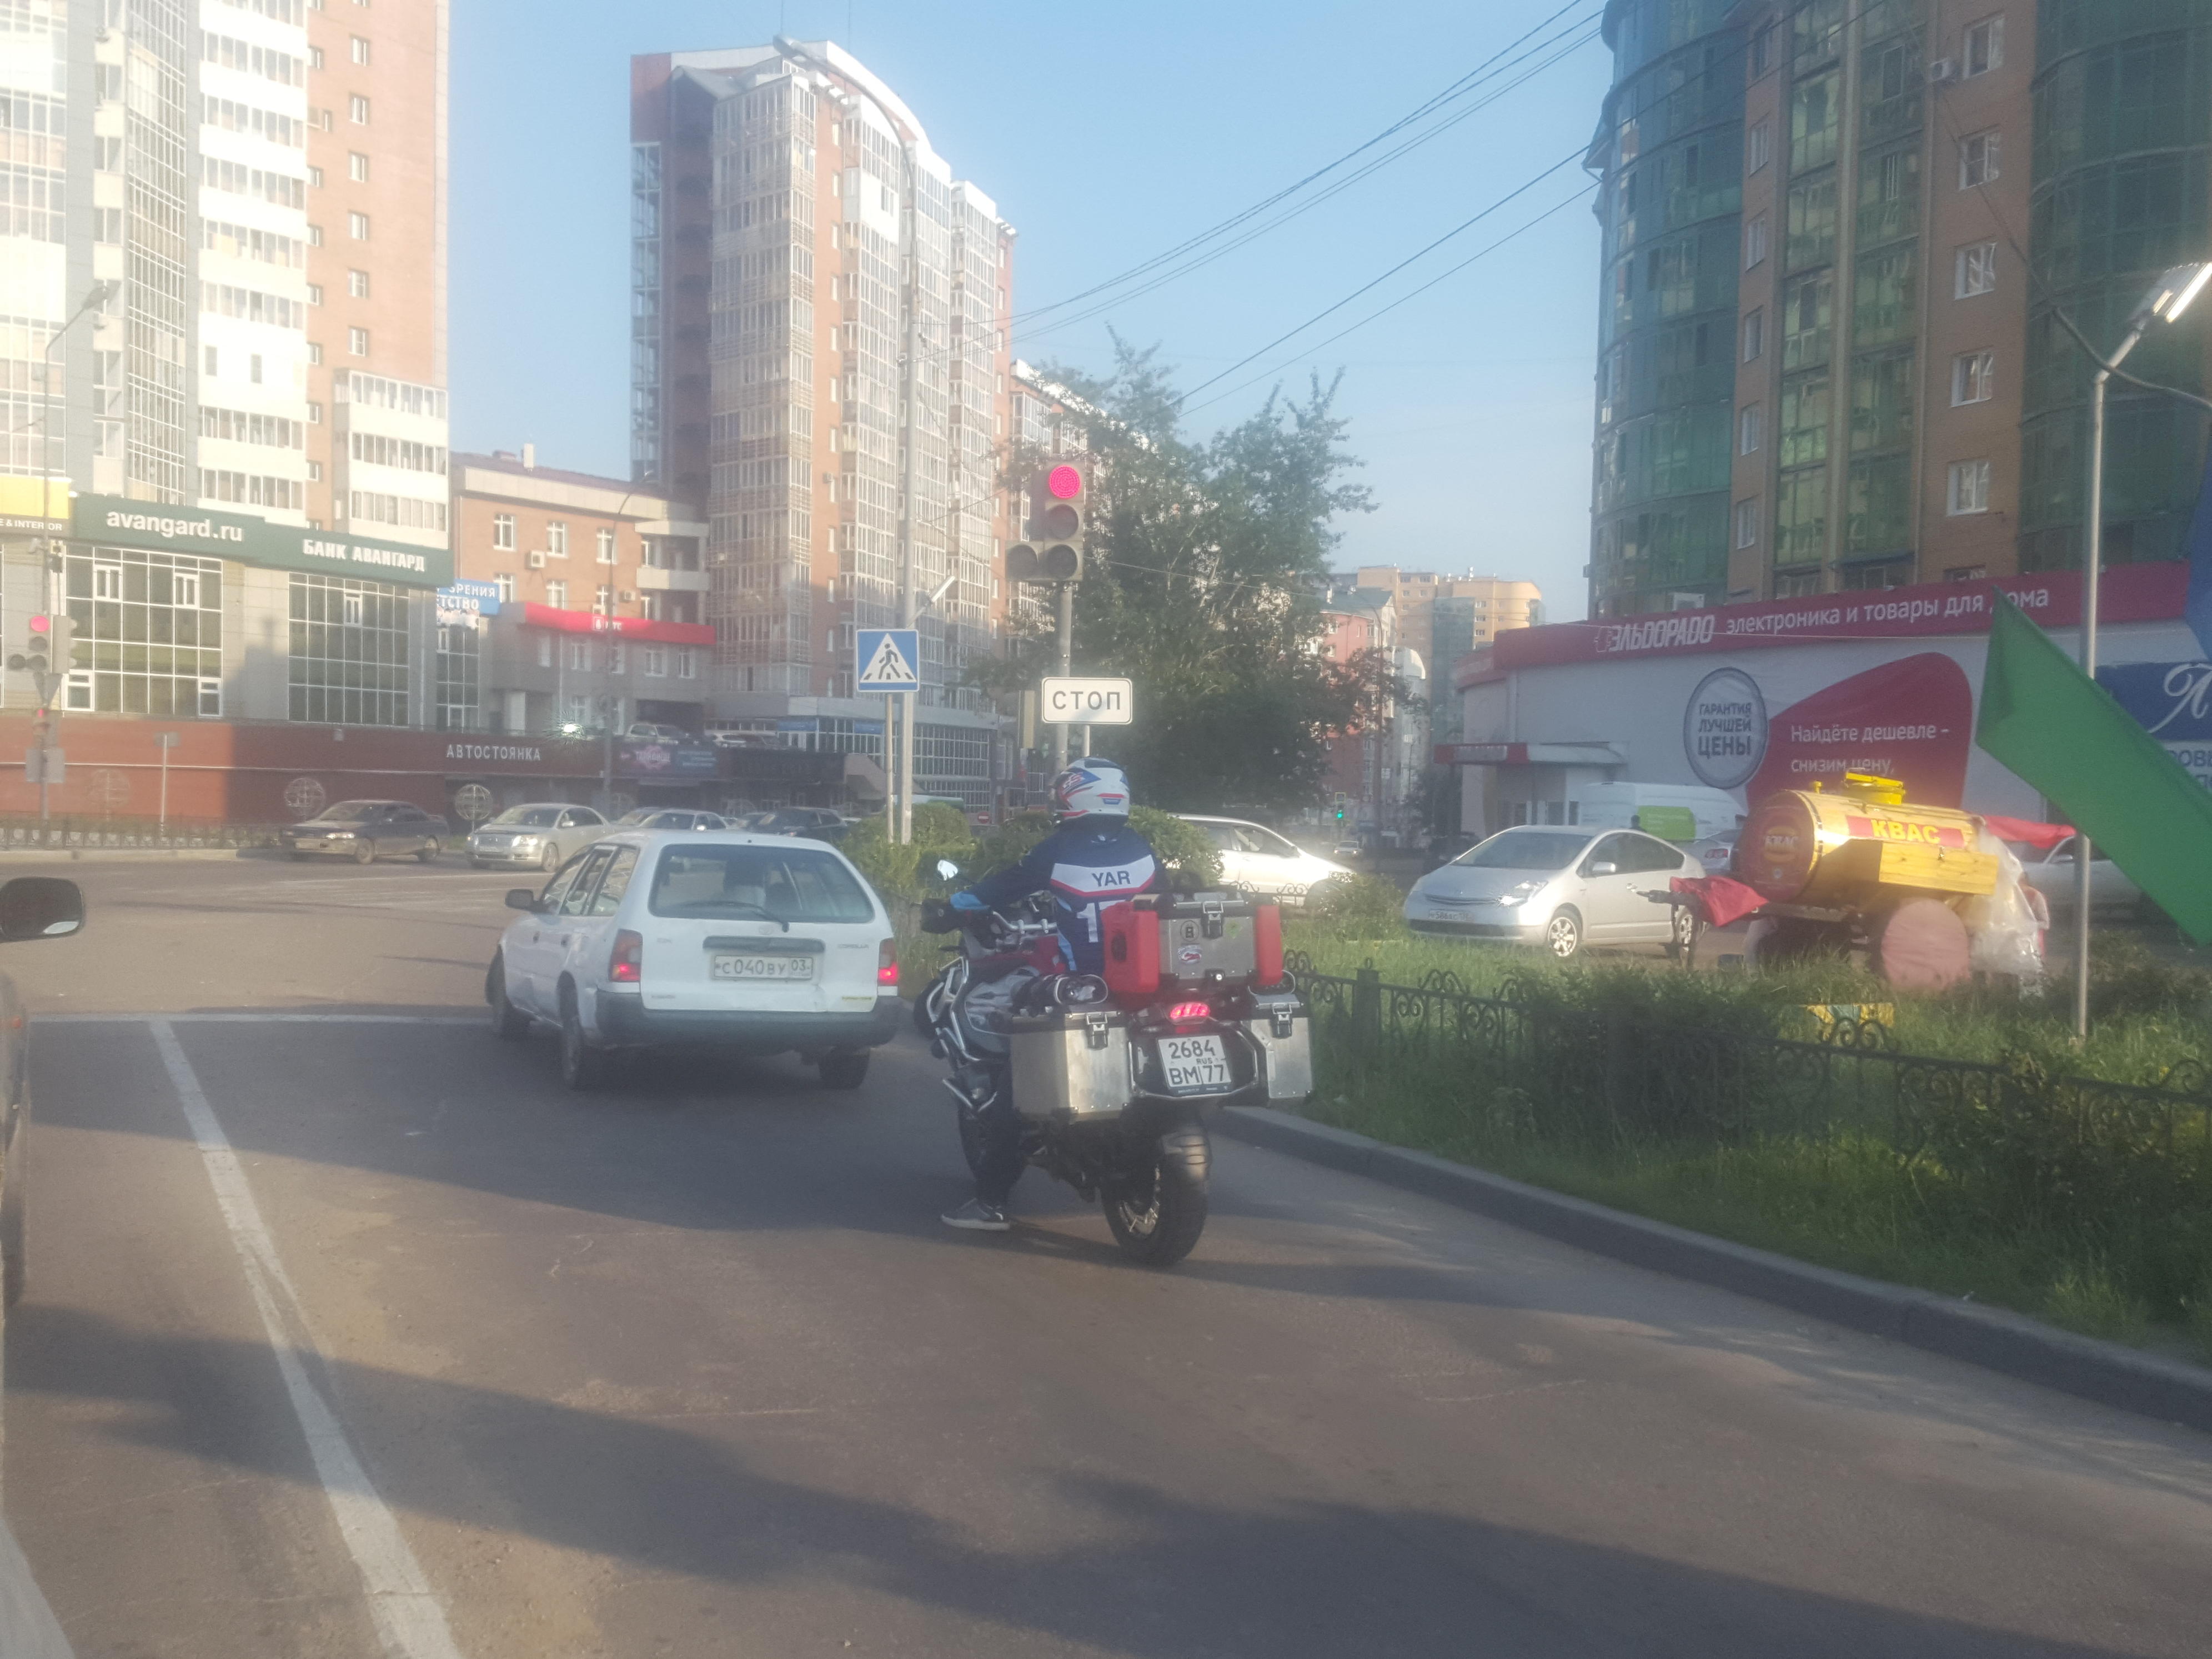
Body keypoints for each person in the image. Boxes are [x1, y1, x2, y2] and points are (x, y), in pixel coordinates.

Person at [940, 759, 1160, 1232]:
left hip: (1084, 986)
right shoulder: (1141, 847)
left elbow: (1000, 887)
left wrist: (952, 906)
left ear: (1074, 797)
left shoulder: (1058, 851)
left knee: (1017, 1090)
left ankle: (991, 1203)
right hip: (1146, 985)